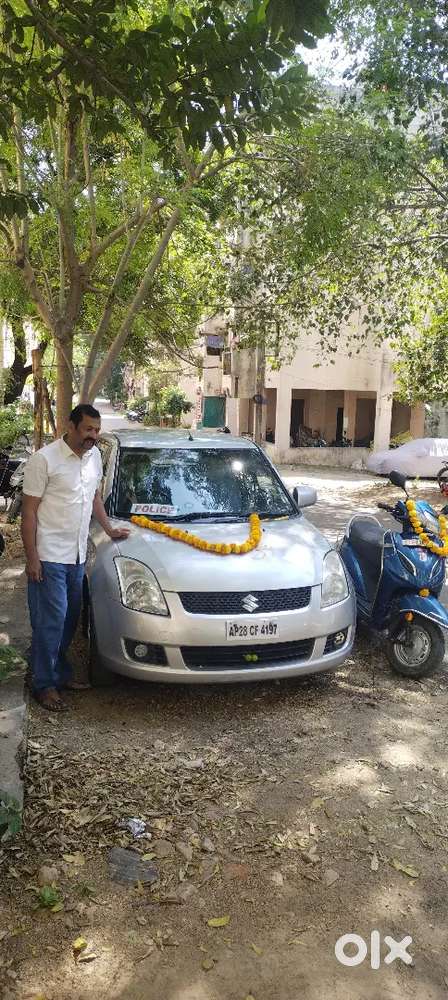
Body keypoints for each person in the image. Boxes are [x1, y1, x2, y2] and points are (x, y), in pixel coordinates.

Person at [21, 404, 130, 711]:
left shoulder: (94, 457)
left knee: (69, 620)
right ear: (70, 426)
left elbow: (94, 497)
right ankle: (43, 685)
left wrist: (109, 529)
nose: (92, 436)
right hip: (49, 555)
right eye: (87, 430)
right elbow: (28, 513)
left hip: (77, 555)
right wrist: (32, 558)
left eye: (96, 430)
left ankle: (57, 673)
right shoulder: (44, 460)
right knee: (50, 621)